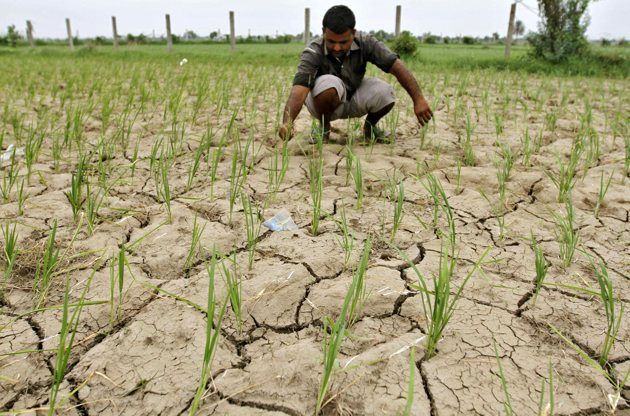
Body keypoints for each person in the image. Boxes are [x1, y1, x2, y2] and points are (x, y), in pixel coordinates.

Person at [278, 5, 433, 143]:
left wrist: (418, 99)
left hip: (352, 96)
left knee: (386, 92)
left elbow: (397, 67)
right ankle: (324, 128)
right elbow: (299, 89)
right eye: (331, 42)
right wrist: (287, 123)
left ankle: (370, 128)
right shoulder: (313, 50)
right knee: (329, 83)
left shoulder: (366, 42)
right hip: (322, 102)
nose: (337, 48)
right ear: (323, 32)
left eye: (343, 42)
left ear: (353, 33)